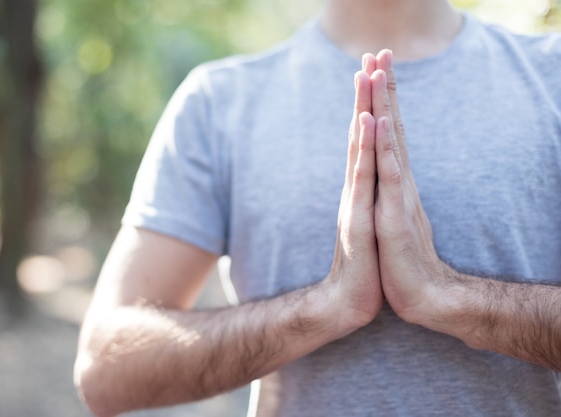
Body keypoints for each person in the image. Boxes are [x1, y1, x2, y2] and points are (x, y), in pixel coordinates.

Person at [74, 0, 561, 416]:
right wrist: (320, 310)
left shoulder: (552, 76)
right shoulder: (218, 103)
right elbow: (105, 366)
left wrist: (451, 298)